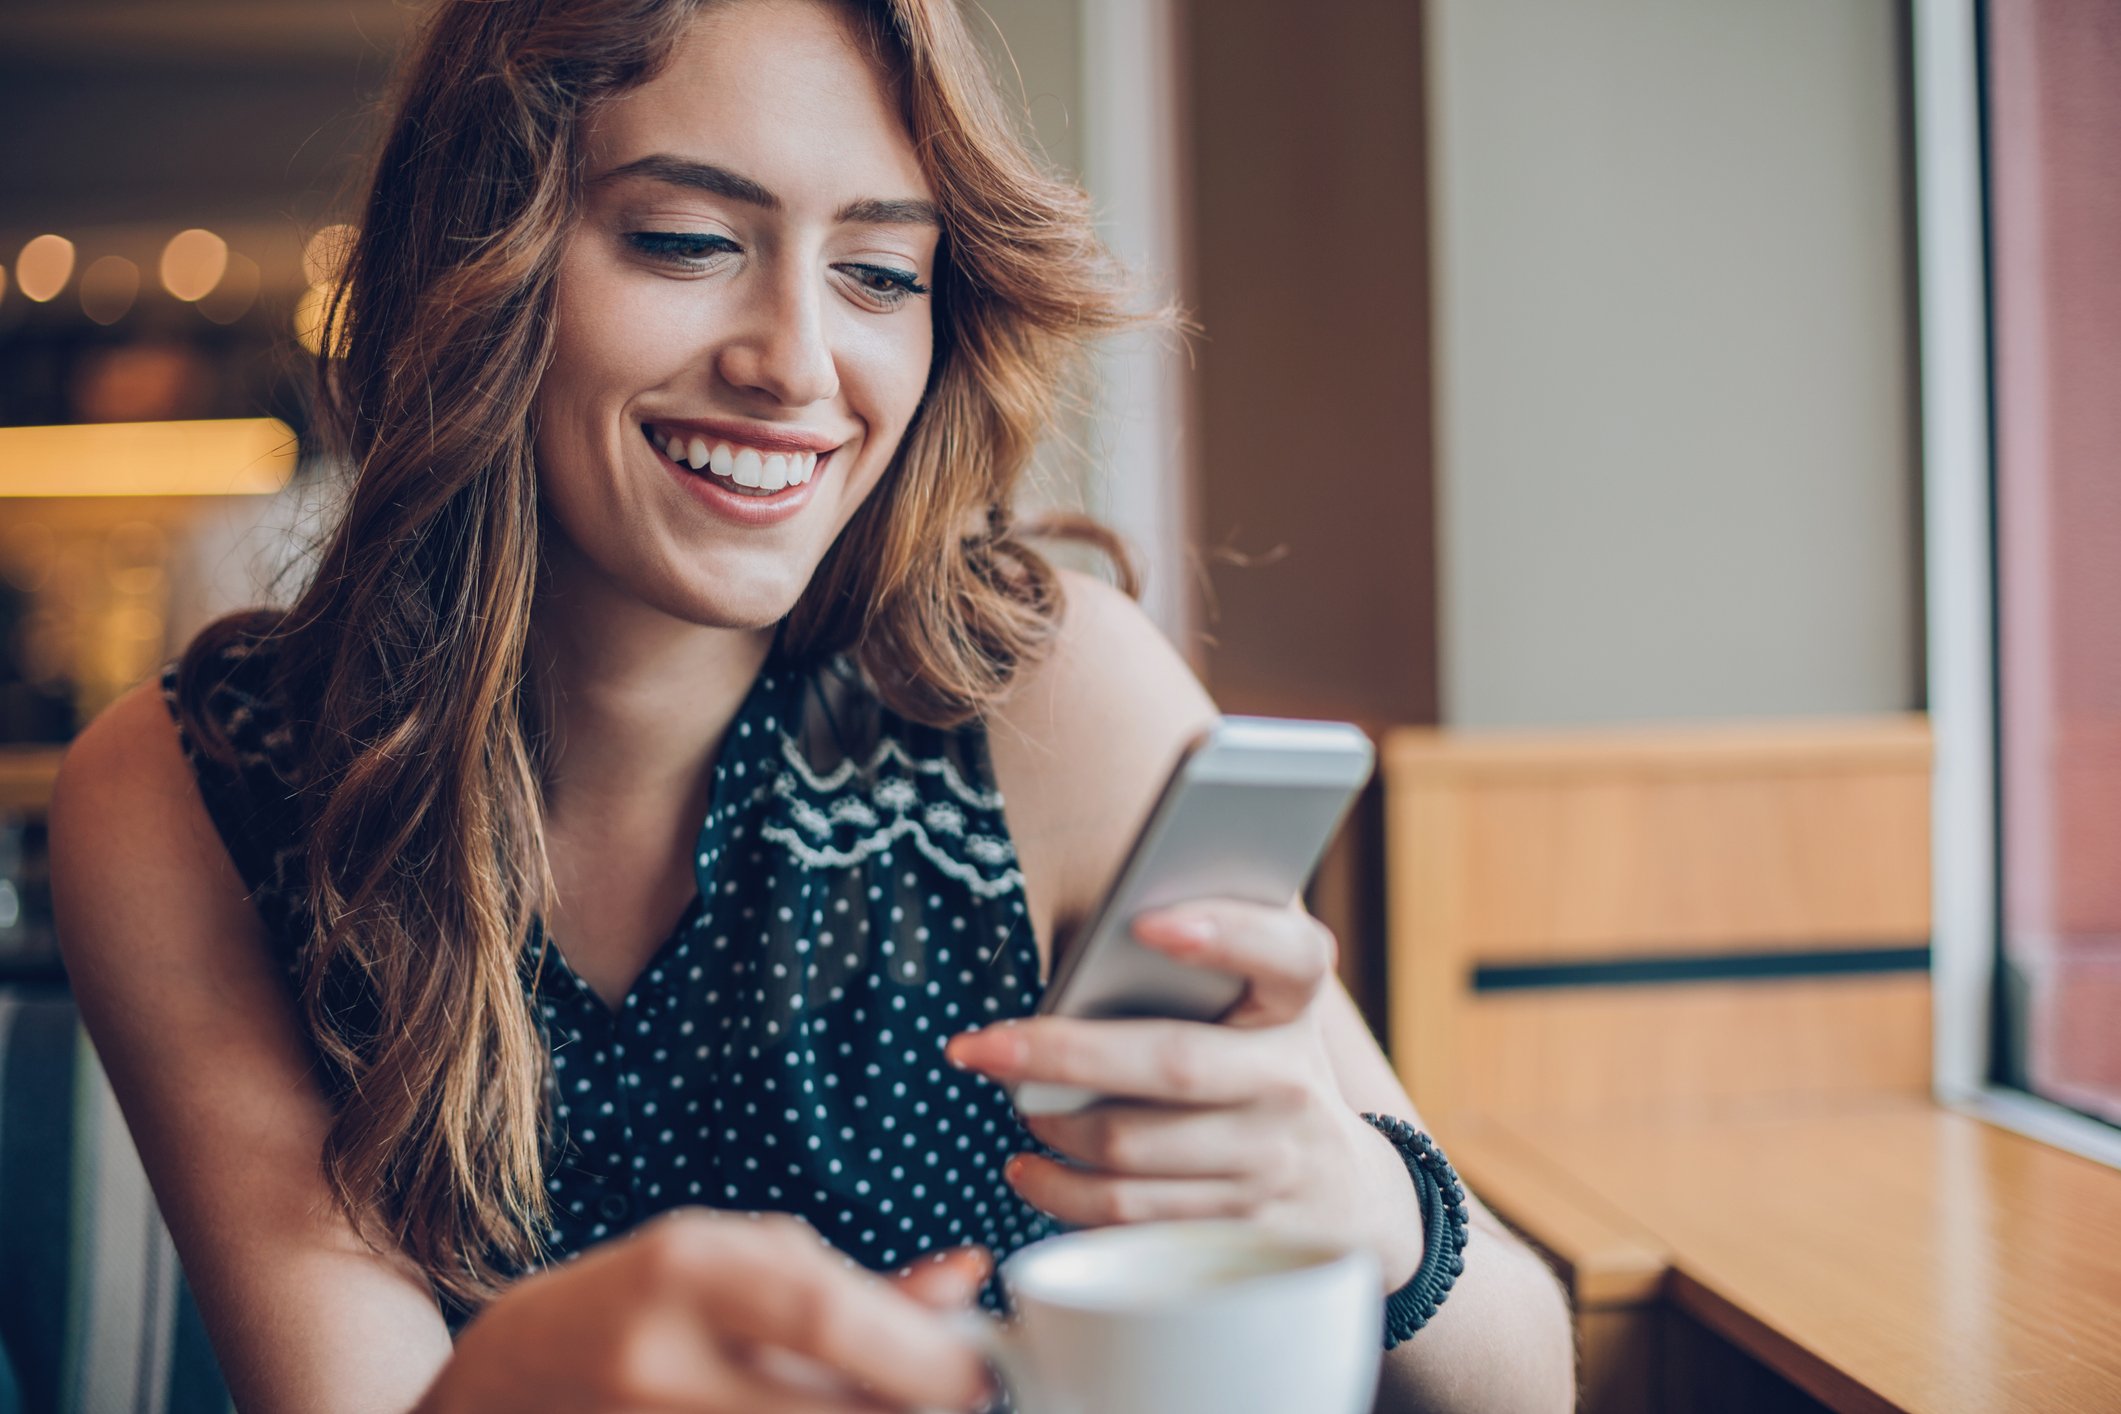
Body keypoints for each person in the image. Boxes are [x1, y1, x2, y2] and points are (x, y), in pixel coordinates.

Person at [49, 1, 1575, 1410]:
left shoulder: (1046, 696)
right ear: (481, 257)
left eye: (879, 272)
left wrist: (1376, 1215)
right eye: (684, 239)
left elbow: (1528, 1371)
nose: (796, 363)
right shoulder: (198, 789)